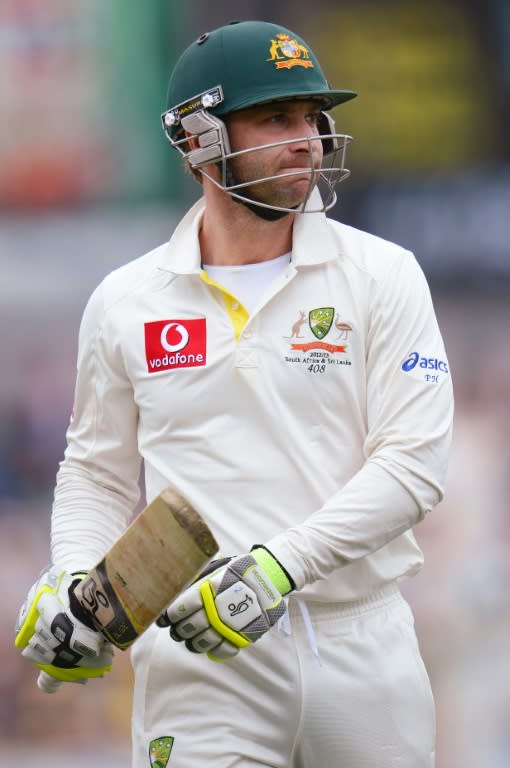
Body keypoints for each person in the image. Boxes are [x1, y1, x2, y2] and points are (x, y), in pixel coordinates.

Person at [15, 19, 454, 768]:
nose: (307, 139)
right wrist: (76, 588)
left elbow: (413, 467)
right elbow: (96, 472)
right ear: (198, 140)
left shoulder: (382, 275)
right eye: (276, 117)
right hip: (202, 661)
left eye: (313, 117)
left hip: (361, 645)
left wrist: (277, 570)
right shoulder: (128, 301)